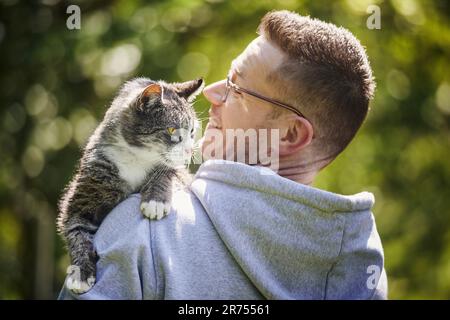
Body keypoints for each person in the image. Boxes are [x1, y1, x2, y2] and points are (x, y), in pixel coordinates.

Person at [59, 10, 387, 300]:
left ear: (290, 134)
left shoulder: (140, 234)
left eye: (236, 87)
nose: (211, 93)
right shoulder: (363, 270)